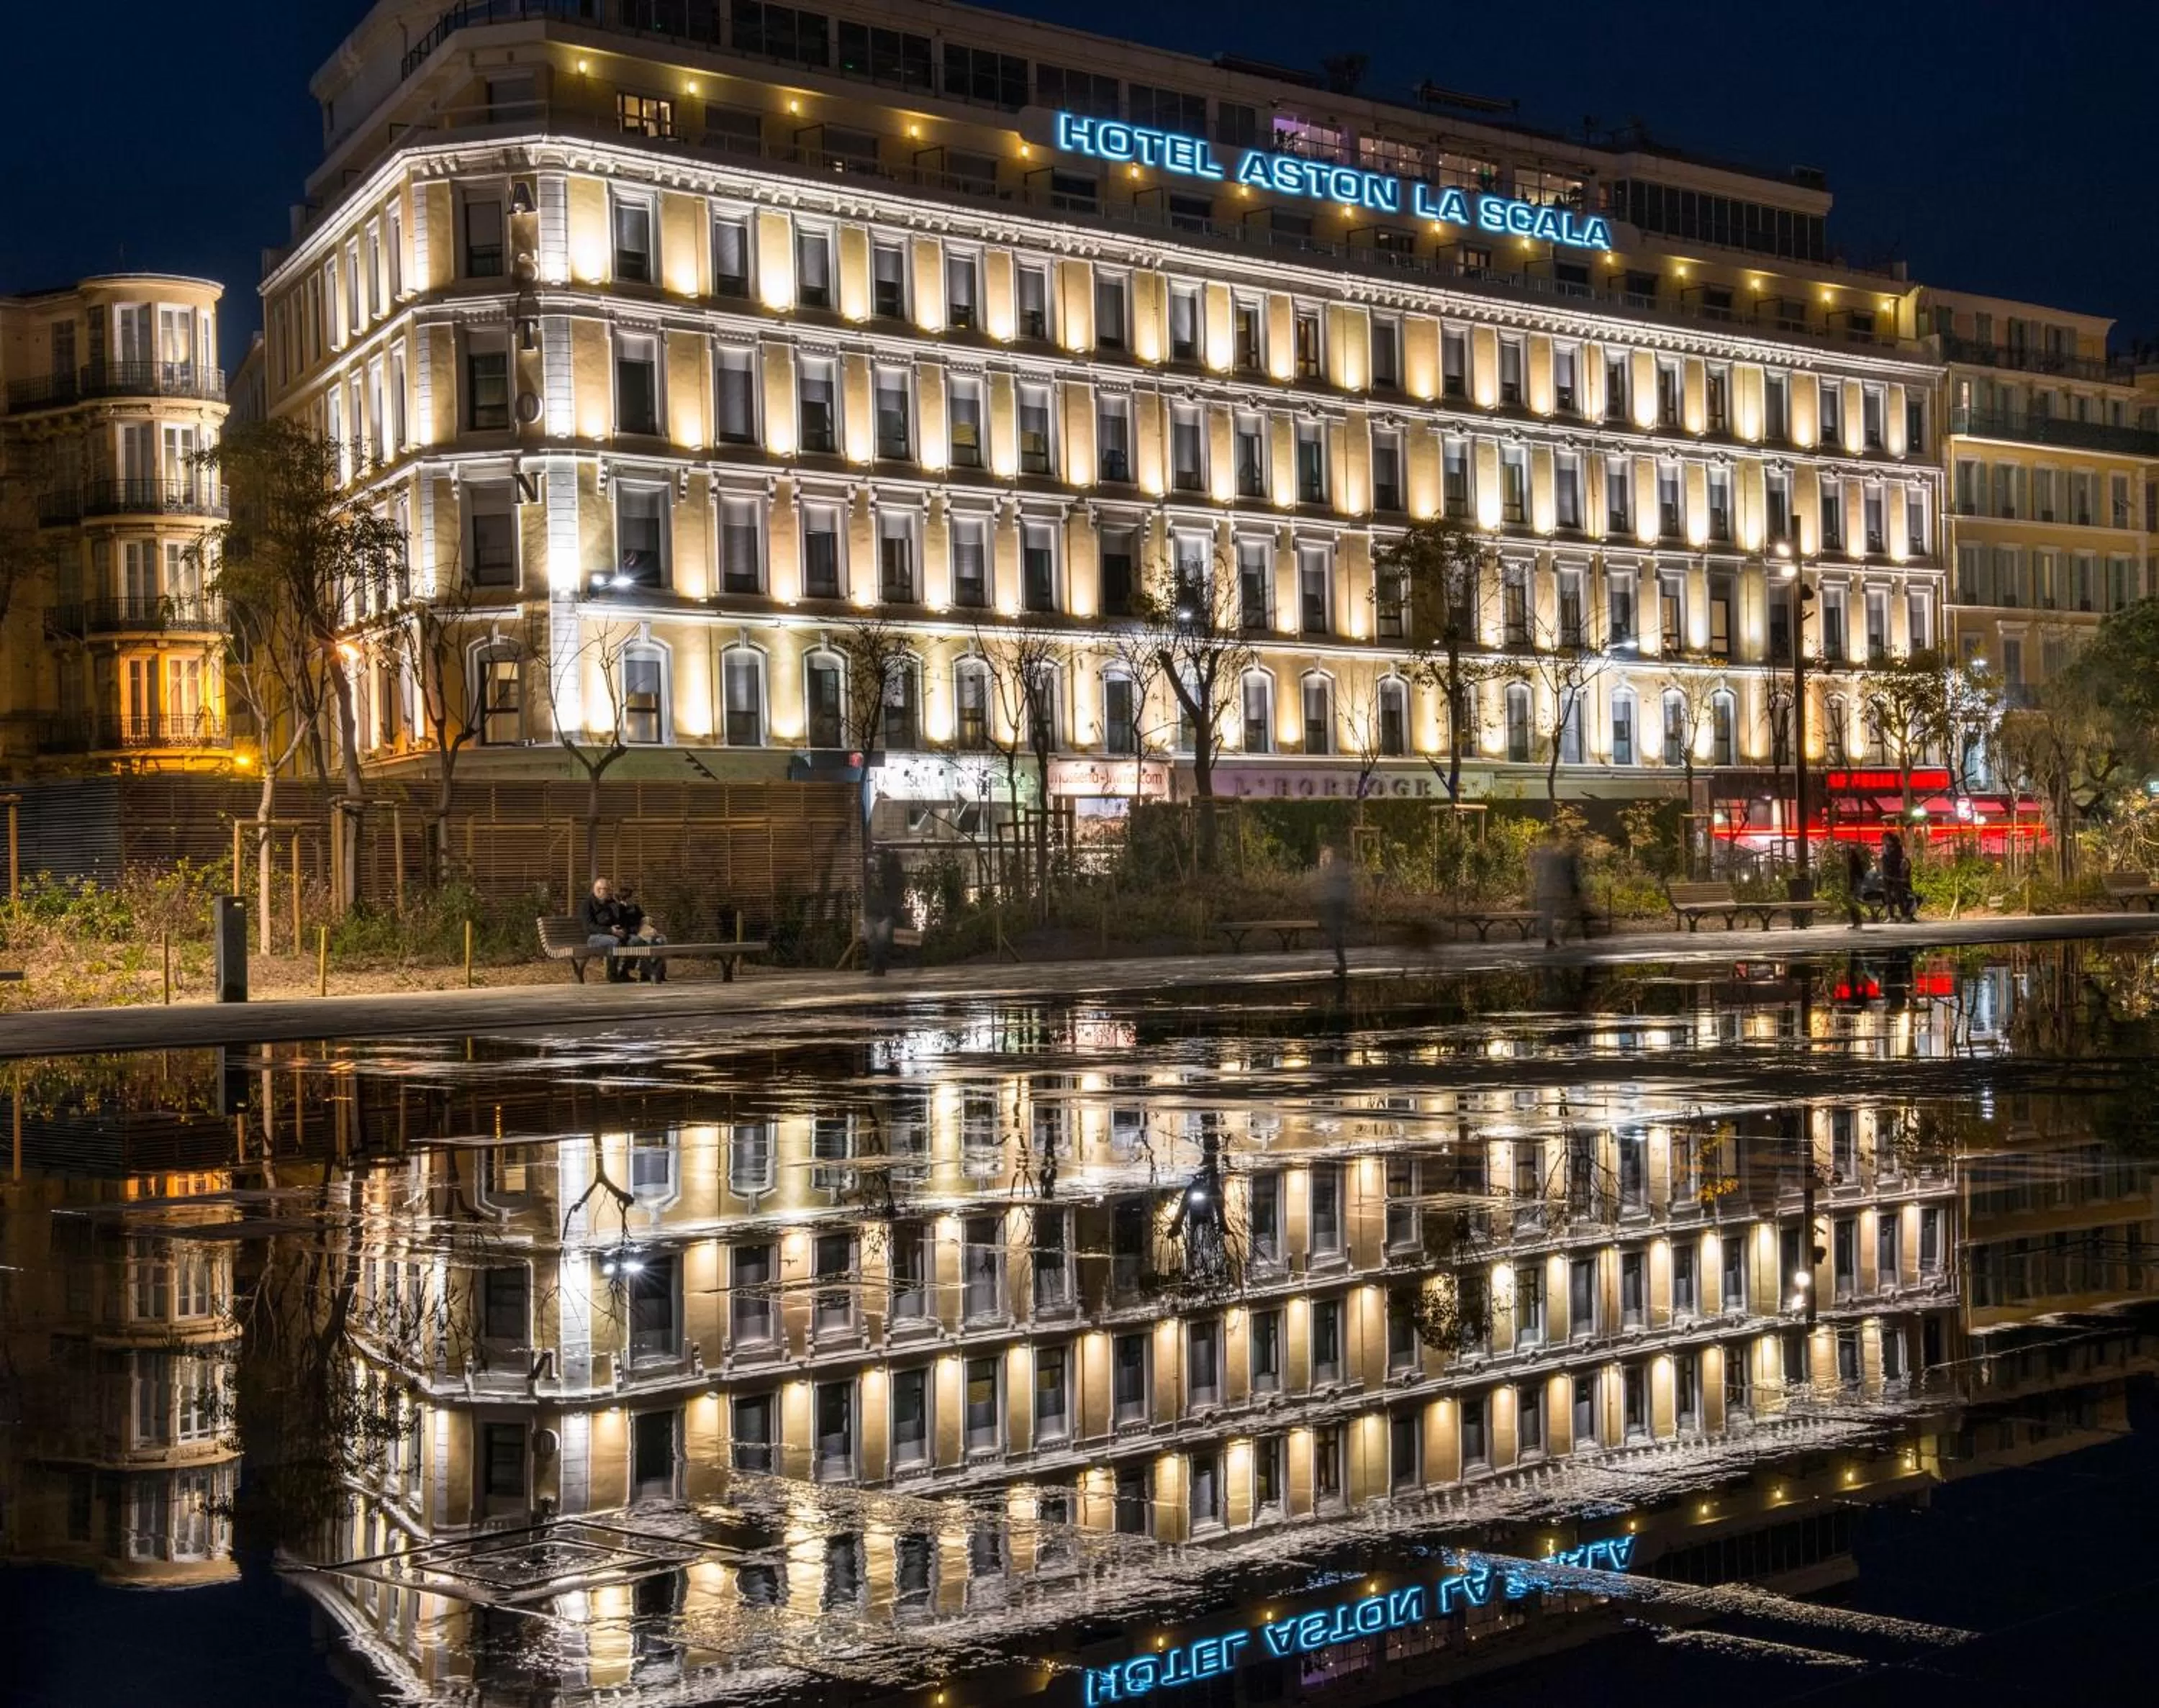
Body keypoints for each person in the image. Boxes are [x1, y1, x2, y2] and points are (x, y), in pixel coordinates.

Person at [579, 877, 664, 985]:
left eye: (610, 889)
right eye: (608, 890)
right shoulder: (587, 904)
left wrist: (624, 928)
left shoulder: (611, 902)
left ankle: (624, 971)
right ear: (599, 890)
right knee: (614, 942)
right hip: (595, 937)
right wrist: (610, 930)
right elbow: (589, 927)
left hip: (615, 934)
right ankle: (612, 974)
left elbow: (622, 919)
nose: (610, 892)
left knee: (636, 941)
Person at [1531, 827, 1586, 950]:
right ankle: (1561, 936)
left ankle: (1551, 939)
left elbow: (1537, 869)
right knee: (1569, 913)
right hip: (1559, 890)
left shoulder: (1544, 852)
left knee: (1549, 914)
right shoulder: (1561, 854)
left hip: (1546, 889)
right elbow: (1569, 872)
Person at [614, 883, 668, 983]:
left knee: (661, 939)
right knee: (638, 941)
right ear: (624, 898)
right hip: (630, 934)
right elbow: (622, 926)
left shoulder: (635, 907)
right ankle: (628, 971)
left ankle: (656, 972)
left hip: (642, 932)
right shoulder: (618, 909)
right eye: (631, 897)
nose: (633, 899)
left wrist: (647, 922)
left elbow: (642, 918)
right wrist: (623, 908)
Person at [1316, 845, 1354, 979]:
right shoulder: (1340, 873)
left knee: (1337, 936)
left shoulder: (1339, 872)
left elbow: (1335, 889)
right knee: (1336, 937)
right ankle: (1342, 964)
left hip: (1337, 906)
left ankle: (1342, 964)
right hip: (1337, 905)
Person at [1878, 830, 1916, 923]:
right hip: (1886, 874)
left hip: (1896, 875)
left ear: (1888, 838)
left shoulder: (1897, 848)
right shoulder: (1885, 848)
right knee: (1888, 896)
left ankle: (1904, 915)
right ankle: (1891, 916)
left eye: (1883, 838)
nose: (1882, 841)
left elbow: (1895, 860)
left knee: (1899, 895)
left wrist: (1885, 858)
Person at [1843, 841, 1876, 930]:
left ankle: (1857, 922)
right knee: (1853, 902)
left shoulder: (1854, 862)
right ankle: (1856, 922)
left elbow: (1856, 874)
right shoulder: (1853, 862)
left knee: (1853, 902)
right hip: (1855, 883)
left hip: (1855, 883)